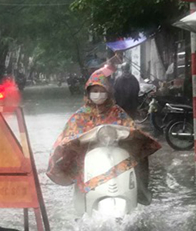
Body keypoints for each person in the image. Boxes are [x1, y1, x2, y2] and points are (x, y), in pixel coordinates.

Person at [47, 67, 160, 204]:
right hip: (88, 157)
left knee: (140, 156)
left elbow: (130, 128)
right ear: (88, 93)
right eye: (95, 91)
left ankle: (140, 191)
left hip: (115, 154)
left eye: (102, 91)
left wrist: (133, 136)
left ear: (109, 93)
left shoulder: (117, 111)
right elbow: (67, 136)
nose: (98, 94)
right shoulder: (80, 115)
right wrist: (73, 143)